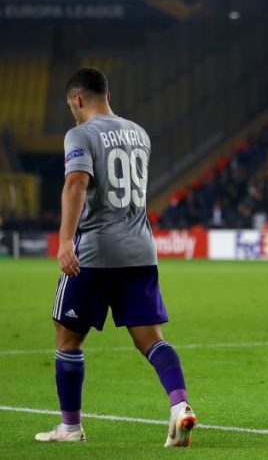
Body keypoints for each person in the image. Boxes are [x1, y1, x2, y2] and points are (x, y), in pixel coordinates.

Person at [35, 68, 197, 446]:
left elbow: (76, 182)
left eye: (71, 106)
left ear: (77, 99)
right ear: (108, 94)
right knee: (151, 339)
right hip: (141, 251)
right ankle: (179, 406)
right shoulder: (139, 133)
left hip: (95, 252)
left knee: (67, 336)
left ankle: (70, 427)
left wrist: (65, 240)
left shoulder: (80, 134)